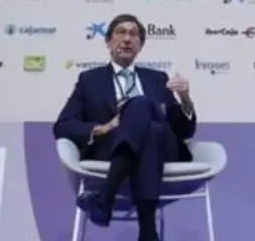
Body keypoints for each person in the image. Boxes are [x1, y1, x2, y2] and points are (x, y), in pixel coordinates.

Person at [53, 14, 197, 241]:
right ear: (108, 41)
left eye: (134, 34)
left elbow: (184, 131)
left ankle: (105, 196)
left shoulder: (157, 79)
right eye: (121, 32)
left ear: (140, 45)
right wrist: (103, 128)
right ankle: (148, 231)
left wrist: (185, 99)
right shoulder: (90, 80)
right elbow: (63, 126)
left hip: (165, 151)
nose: (127, 38)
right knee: (152, 131)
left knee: (141, 105)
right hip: (111, 148)